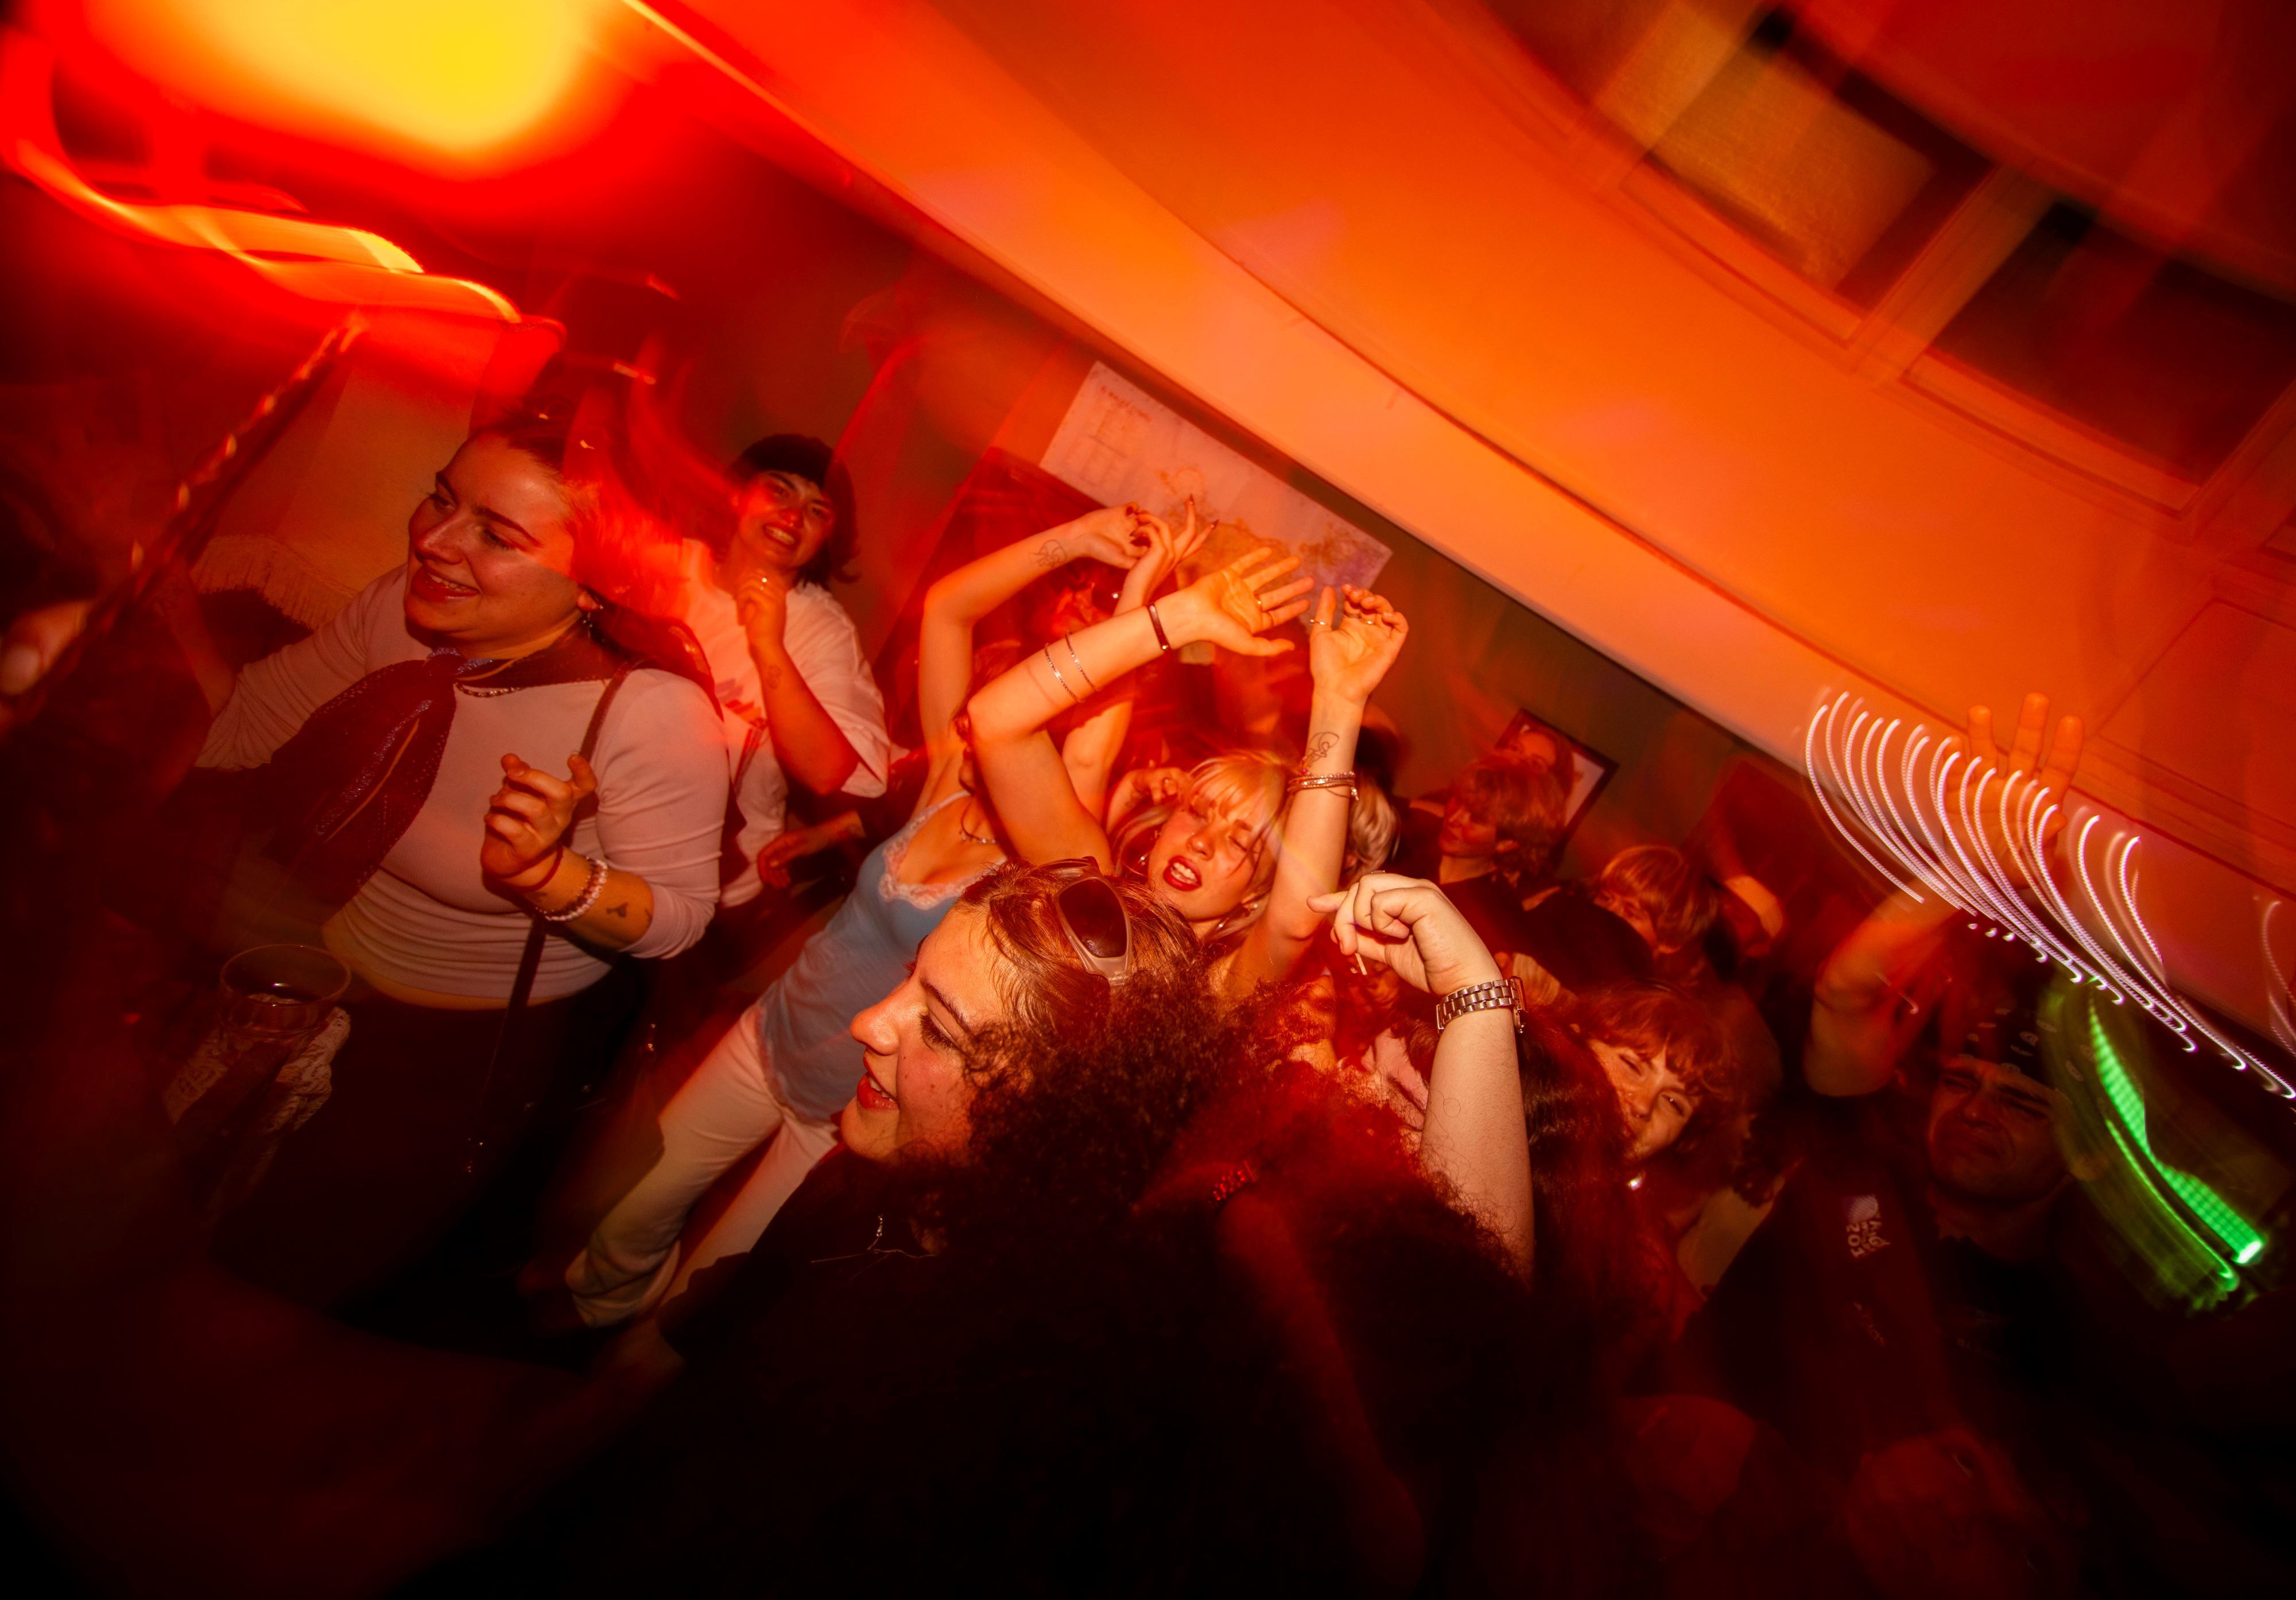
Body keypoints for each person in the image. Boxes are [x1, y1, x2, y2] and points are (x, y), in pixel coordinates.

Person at [451, 859, 1569, 1595]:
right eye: (911, 984)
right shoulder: (866, 1173)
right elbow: (696, 1353)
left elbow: (1440, 1364)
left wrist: (1474, 1003)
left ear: (1050, 1099)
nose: (870, 1025)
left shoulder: (1085, 1348)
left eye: (936, 1027)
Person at [553, 506, 1196, 1325]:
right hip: (768, 1035)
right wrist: (1073, 539)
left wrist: (1149, 605)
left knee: (706, 1307)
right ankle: (571, 1356)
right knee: (623, 1228)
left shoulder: (1047, 873)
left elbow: (1092, 749)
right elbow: (948, 610)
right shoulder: (946, 782)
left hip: (846, 1107)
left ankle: (627, 1400)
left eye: (1039, 717)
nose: (1002, 716)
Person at [188, 408, 729, 1311]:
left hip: (445, 1064)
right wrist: (152, 619)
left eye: (497, 533)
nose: (436, 541)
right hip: (303, 987)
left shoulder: (647, 715)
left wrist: (548, 876)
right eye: (442, 498)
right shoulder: (398, 616)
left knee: (281, 1291)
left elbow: (678, 920)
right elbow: (249, 721)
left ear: (595, 578)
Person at [967, 542, 1409, 995]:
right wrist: (1175, 621)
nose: (1201, 841)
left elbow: (1297, 921)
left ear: (1258, 892)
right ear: (1165, 822)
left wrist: (1338, 703)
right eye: (1198, 811)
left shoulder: (1214, 994)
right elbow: (996, 723)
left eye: (1240, 840)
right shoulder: (1084, 888)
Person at [674, 435, 889, 924]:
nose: (793, 518)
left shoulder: (822, 628)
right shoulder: (666, 566)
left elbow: (827, 772)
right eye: (779, 491)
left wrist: (768, 644)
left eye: (818, 511)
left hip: (715, 889)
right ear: (736, 494)